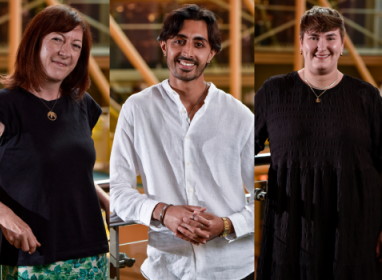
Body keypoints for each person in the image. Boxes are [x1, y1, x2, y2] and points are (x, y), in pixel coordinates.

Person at [110, 4, 254, 280]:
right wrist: (162, 212)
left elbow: (266, 197)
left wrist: (227, 224)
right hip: (166, 270)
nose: (187, 52)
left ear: (211, 53)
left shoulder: (240, 116)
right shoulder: (136, 109)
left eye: (199, 44)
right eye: (179, 41)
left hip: (234, 270)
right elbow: (117, 189)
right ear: (164, 46)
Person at [0, 5, 109, 279]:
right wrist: (4, 216)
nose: (66, 51)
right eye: (57, 39)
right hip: (36, 255)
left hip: (92, 250)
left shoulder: (83, 103)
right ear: (33, 43)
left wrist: (105, 199)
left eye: (76, 45)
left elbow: (69, 171)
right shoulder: (1, 106)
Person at [255, 6, 382, 280]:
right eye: (313, 37)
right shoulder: (274, 91)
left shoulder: (367, 96)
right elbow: (240, 152)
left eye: (330, 37)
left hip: (356, 227)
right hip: (291, 227)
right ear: (301, 44)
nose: (321, 46)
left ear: (342, 44)